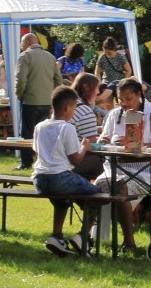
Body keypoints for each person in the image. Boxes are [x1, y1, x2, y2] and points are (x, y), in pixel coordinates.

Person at [94, 78, 151, 254]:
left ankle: (128, 241)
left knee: (118, 187)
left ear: (139, 95)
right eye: (121, 99)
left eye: (129, 99)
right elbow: (102, 140)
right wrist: (106, 142)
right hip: (113, 168)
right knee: (97, 187)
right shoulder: (114, 114)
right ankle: (87, 238)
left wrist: (134, 144)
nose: (125, 103)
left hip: (145, 171)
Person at [32, 86, 102, 257]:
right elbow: (76, 160)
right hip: (60, 177)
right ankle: (83, 237)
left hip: (40, 179)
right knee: (99, 197)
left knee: (61, 201)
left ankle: (56, 237)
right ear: (67, 108)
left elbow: (35, 151)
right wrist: (84, 148)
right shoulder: (67, 128)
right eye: (75, 108)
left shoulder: (40, 126)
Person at [15, 33, 63, 169]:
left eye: (22, 44)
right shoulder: (50, 57)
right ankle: (43, 160)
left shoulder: (25, 56)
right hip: (47, 101)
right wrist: (53, 96)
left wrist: (19, 95)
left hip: (30, 100)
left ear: (27, 43)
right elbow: (58, 79)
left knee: (27, 133)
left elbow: (21, 79)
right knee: (43, 133)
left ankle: (26, 162)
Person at [69, 73, 104, 180]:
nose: (98, 92)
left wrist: (99, 129)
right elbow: (91, 142)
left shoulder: (68, 104)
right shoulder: (85, 111)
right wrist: (106, 140)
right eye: (97, 88)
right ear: (86, 87)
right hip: (76, 162)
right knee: (112, 164)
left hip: (59, 159)